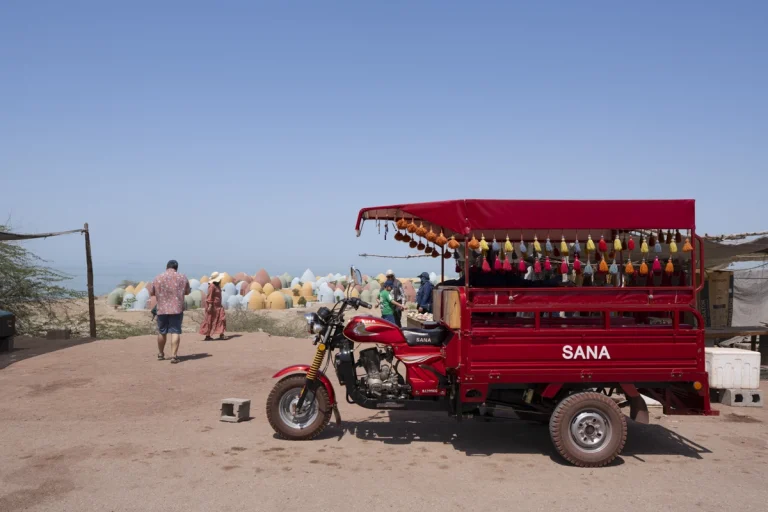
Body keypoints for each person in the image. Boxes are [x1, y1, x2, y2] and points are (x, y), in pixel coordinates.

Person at [148, 260, 191, 364]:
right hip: (177, 309)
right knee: (175, 331)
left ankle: (161, 354)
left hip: (162, 309)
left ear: (166, 267)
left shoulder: (158, 277)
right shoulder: (182, 277)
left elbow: (152, 292)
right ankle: (173, 356)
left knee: (162, 331)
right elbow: (187, 291)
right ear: (176, 268)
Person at [199, 272, 226, 341]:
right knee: (209, 320)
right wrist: (210, 305)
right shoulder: (212, 286)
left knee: (221, 319)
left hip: (218, 306)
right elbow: (210, 296)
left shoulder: (217, 286)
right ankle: (207, 336)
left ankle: (221, 334)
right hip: (212, 306)